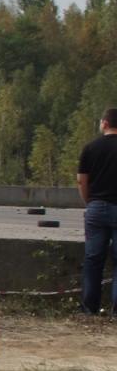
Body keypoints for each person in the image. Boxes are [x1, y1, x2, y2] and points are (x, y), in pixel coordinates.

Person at [78, 107, 117, 315]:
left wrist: (90, 202)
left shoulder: (90, 147)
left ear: (104, 123)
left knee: (93, 260)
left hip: (95, 207)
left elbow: (82, 180)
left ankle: (90, 308)